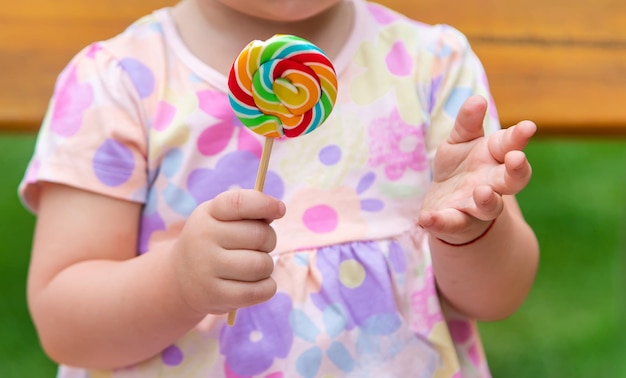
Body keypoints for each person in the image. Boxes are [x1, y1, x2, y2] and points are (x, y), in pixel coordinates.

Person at [19, 0, 539, 376]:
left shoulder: (434, 66)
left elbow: (498, 296)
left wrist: (470, 232)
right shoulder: (116, 84)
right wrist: (177, 283)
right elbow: (64, 324)